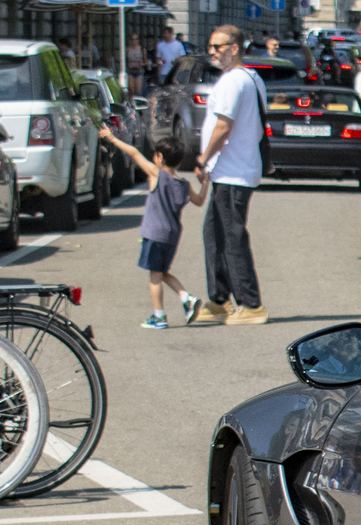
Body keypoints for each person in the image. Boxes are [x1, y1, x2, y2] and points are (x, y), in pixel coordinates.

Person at [191, 24, 269, 325]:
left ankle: (251, 305)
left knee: (232, 237)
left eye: (218, 47)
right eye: (210, 46)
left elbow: (223, 125)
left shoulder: (234, 81)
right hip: (232, 169)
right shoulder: (250, 78)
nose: (212, 52)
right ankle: (220, 299)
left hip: (233, 170)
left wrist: (203, 158)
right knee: (214, 234)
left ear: (234, 48)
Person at [102, 126, 209, 329]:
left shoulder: (157, 176)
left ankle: (159, 315)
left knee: (155, 277)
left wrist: (112, 139)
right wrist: (205, 182)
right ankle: (186, 297)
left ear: (159, 157)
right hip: (172, 235)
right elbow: (200, 201)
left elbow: (134, 153)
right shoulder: (184, 184)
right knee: (161, 271)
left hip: (154, 234)